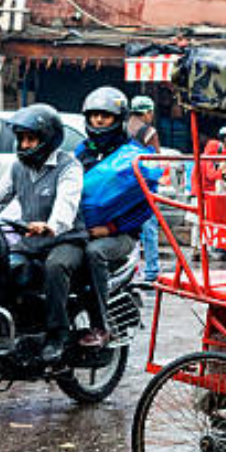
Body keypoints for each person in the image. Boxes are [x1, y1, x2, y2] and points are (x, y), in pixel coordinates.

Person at [0, 104, 85, 364]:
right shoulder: (18, 168)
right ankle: (4, 330)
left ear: (48, 139)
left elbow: (66, 202)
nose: (24, 144)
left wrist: (53, 225)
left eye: (31, 138)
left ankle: (57, 335)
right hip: (31, 241)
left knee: (56, 267)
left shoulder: (68, 166)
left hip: (66, 240)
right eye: (21, 139)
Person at [76, 86, 140, 343]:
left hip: (120, 235)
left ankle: (101, 325)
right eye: (94, 116)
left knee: (94, 252)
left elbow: (144, 208)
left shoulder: (131, 155)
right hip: (81, 228)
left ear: (119, 119)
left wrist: (110, 229)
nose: (99, 120)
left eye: (106, 116)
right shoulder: (82, 151)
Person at [127, 95, 162, 283]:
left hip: (125, 187)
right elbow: (157, 161)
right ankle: (151, 272)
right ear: (147, 112)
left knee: (128, 229)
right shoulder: (149, 131)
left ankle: (130, 272)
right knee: (149, 230)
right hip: (144, 186)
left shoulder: (123, 128)